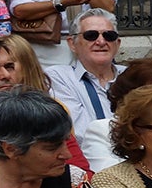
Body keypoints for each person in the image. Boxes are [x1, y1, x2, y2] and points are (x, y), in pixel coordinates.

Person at [47, 9, 125, 144]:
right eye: (91, 35)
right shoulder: (58, 77)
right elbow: (80, 133)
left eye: (109, 36)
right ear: (72, 43)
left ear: (117, 43)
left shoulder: (133, 76)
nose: (101, 41)